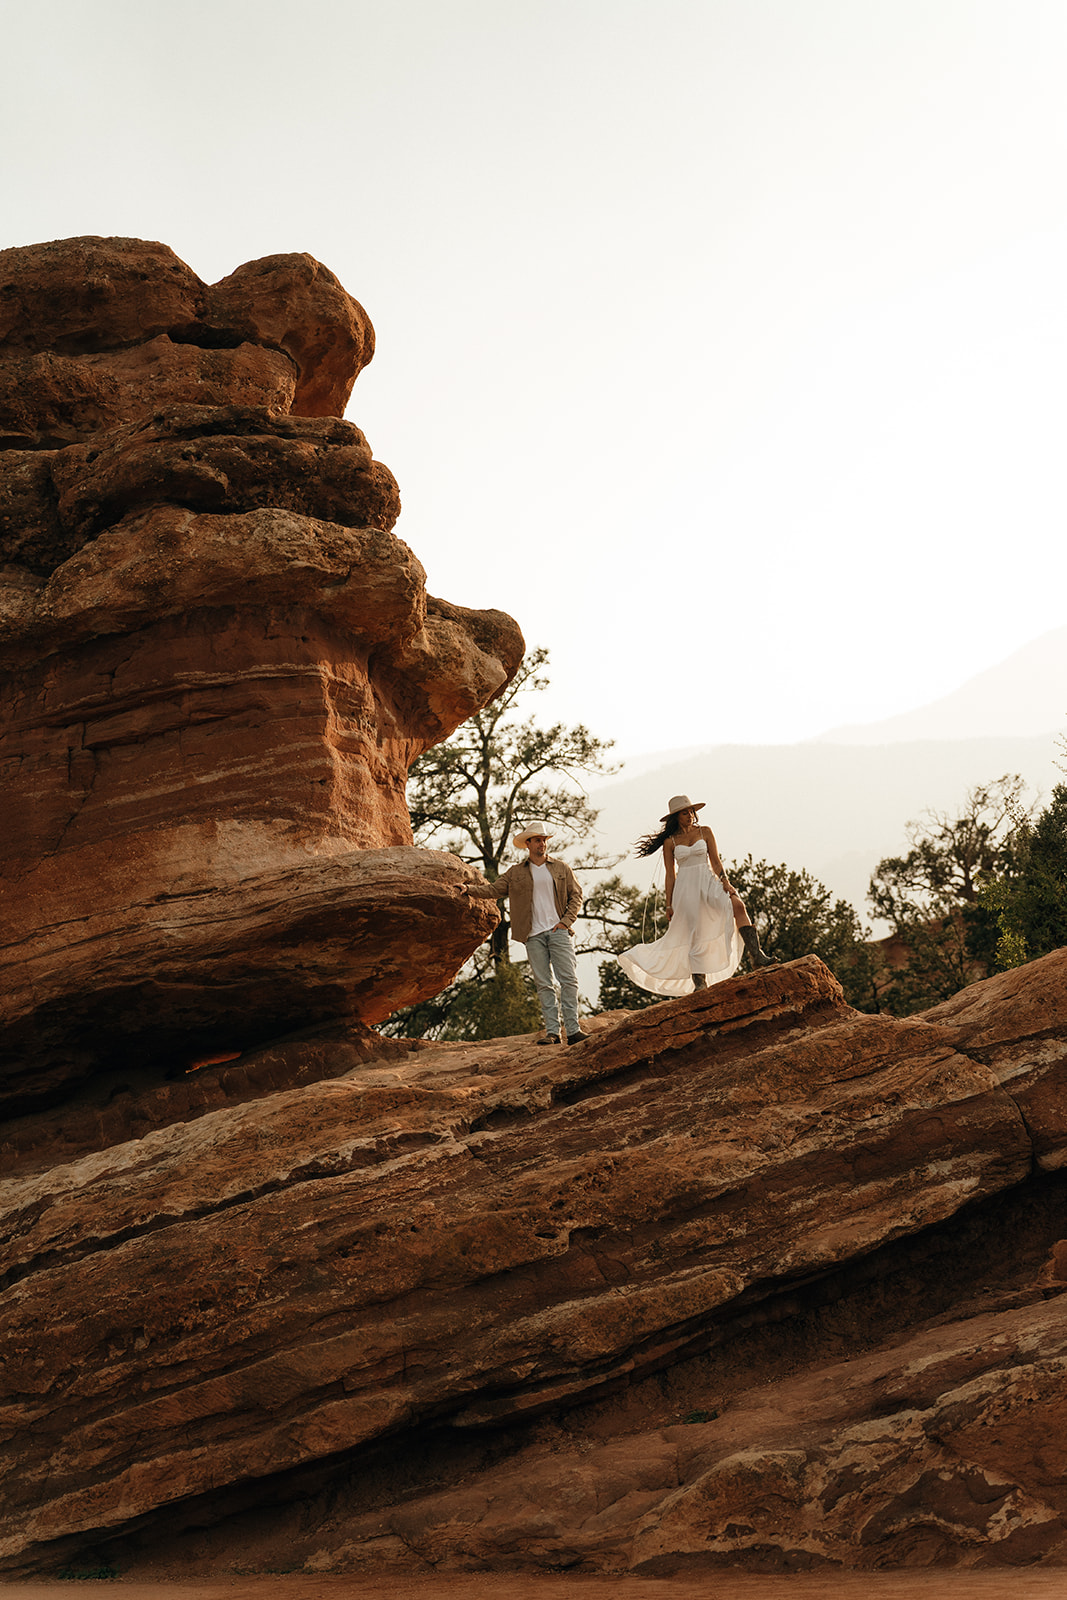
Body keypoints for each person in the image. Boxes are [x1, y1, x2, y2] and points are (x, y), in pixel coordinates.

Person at [617, 794, 775, 997]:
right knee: (694, 932)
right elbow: (670, 875)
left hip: (708, 881)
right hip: (685, 888)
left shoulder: (705, 831)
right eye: (685, 813)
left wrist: (726, 883)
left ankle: (757, 956)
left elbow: (716, 862)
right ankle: (699, 982)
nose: (690, 815)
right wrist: (668, 904)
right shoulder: (670, 842)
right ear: (676, 817)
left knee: (737, 906)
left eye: (692, 811)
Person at [462, 821, 588, 1045]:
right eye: (538, 840)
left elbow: (576, 896)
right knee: (544, 984)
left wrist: (565, 922)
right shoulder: (515, 873)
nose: (542, 844)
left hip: (558, 931)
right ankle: (552, 1033)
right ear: (528, 844)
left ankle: (573, 1030)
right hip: (533, 935)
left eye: (544, 840)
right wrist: (469, 889)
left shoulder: (561, 868)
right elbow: (493, 890)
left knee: (569, 980)